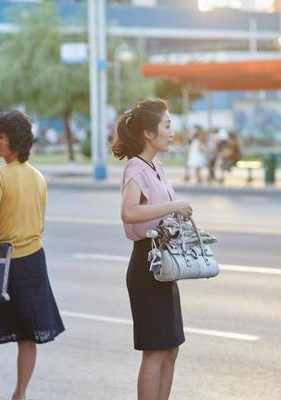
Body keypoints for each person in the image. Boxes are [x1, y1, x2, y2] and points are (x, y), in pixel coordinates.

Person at [0, 110, 65, 400]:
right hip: (33, 260)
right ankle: (19, 393)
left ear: (15, 141)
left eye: (0, 137)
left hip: (0, 263)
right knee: (28, 334)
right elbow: (41, 223)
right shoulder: (38, 177)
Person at [111, 99, 193, 400]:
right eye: (167, 126)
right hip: (147, 264)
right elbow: (129, 212)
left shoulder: (155, 166)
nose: (171, 132)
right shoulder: (136, 167)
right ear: (148, 133)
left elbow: (155, 212)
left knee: (171, 348)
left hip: (164, 261)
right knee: (155, 351)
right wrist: (174, 205)